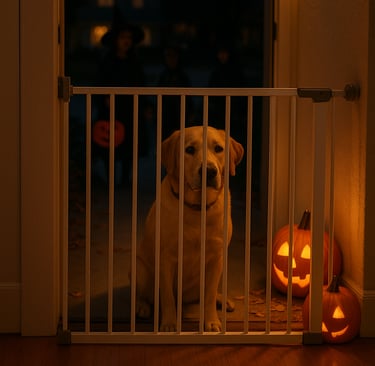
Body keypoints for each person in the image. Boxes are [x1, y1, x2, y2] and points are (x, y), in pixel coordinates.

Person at [94, 23, 148, 186]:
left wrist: (144, 105)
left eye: (129, 38)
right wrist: (104, 97)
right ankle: (110, 178)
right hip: (110, 110)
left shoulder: (134, 62)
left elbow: (140, 83)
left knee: (129, 145)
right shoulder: (108, 61)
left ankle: (125, 178)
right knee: (109, 144)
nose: (126, 41)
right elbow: (100, 82)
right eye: (123, 37)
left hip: (130, 109)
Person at [157, 46, 194, 140]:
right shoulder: (163, 77)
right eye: (168, 56)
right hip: (165, 119)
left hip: (181, 118)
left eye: (174, 56)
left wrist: (189, 114)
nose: (171, 59)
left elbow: (189, 98)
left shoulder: (182, 77)